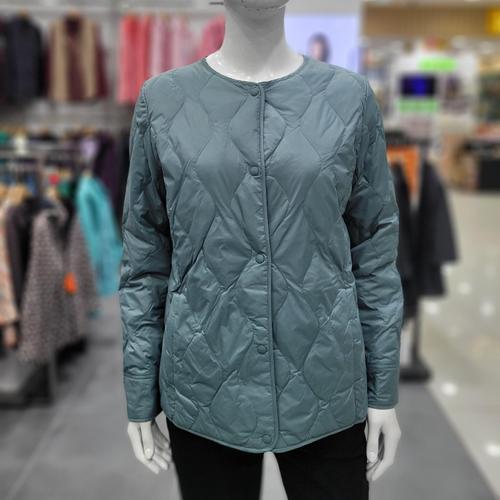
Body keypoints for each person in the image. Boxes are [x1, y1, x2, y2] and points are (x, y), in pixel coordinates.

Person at [119, 0, 404, 498]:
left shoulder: (349, 98)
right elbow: (145, 259)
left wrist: (383, 390)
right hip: (204, 386)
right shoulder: (162, 101)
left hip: (327, 384)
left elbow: (374, 252)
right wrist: (140, 392)